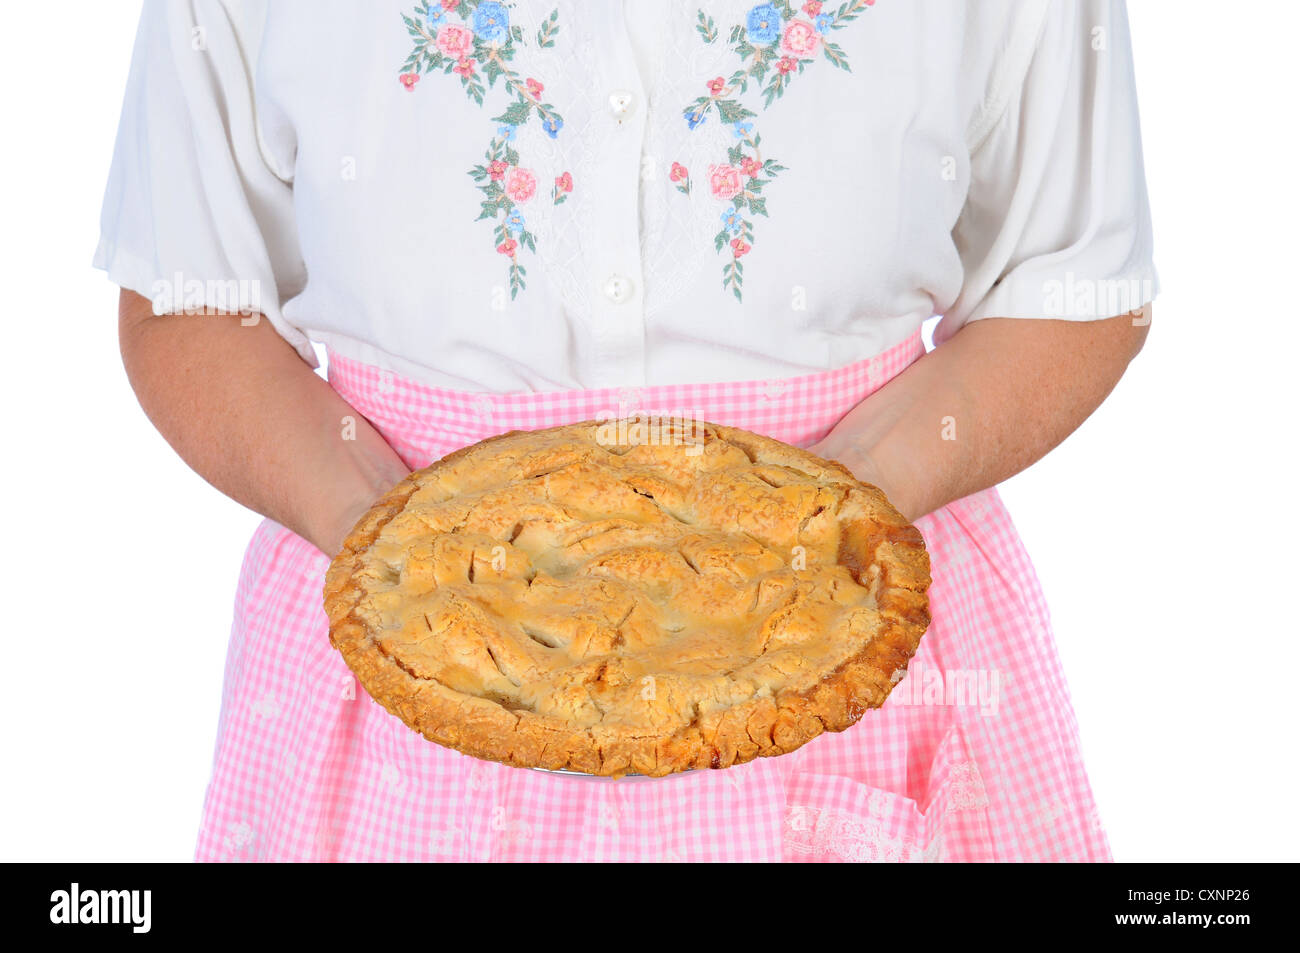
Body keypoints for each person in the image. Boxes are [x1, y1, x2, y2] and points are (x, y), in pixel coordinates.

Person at [97, 0, 1156, 862]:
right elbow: (187, 298)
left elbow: (1075, 284)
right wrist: (387, 552)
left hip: (853, 626)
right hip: (389, 674)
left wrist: (837, 510)